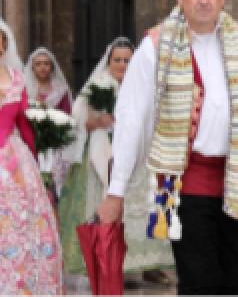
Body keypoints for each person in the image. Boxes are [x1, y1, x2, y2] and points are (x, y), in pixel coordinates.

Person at [97, 0, 238, 295]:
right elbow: (130, 119)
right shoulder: (155, 46)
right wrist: (115, 192)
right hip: (183, 185)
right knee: (201, 282)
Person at [58, 38, 175, 285]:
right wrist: (98, 122)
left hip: (141, 155)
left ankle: (147, 265)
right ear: (108, 62)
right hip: (103, 154)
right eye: (117, 60)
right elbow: (78, 122)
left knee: (144, 207)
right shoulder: (98, 86)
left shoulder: (144, 86)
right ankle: (110, 263)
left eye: (127, 60)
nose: (122, 65)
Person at [0, 18, 62, 294]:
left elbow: (25, 124)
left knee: (23, 218)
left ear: (4, 46)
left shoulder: (16, 79)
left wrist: (37, 165)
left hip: (15, 159)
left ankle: (23, 280)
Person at [23, 46, 72, 196]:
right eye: (38, 64)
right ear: (32, 67)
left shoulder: (61, 90)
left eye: (46, 63)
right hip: (31, 141)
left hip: (56, 144)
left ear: (52, 66)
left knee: (54, 186)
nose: (42, 67)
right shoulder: (25, 89)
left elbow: (67, 116)